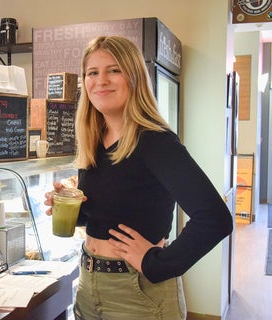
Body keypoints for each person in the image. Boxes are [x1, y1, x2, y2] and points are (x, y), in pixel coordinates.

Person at [44, 36, 234, 320]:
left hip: (137, 294)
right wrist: (72, 208)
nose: (101, 80)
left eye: (114, 70)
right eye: (92, 73)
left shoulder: (155, 141)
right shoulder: (95, 141)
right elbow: (108, 216)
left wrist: (157, 263)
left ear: (134, 77)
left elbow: (215, 218)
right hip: (88, 286)